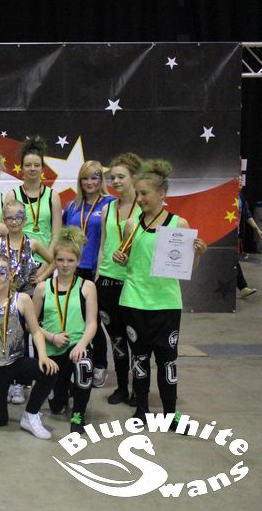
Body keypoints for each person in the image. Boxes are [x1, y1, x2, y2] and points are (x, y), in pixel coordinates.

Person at [113, 160, 208, 423]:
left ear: (161, 194)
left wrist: (198, 254)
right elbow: (127, 260)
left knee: (167, 361)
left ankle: (170, 413)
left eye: (145, 193)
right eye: (138, 193)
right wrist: (120, 257)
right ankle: (141, 409)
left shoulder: (179, 224)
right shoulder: (131, 225)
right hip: (134, 301)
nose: (140, 198)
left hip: (166, 303)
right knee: (140, 359)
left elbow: (187, 268)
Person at [0, 256, 59, 439]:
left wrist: (43, 356)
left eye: (1, 273)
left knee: (49, 371)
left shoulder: (22, 300)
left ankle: (30, 415)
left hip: (15, 361)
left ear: (11, 274)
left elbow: (35, 331)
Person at [33, 227, 98, 434]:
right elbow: (31, 325)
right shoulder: (42, 288)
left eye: (70, 260)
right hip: (52, 351)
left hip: (76, 347)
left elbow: (92, 323)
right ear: (54, 261)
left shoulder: (87, 286)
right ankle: (64, 391)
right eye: (60, 260)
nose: (65, 265)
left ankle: (78, 414)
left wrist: (81, 345)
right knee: (56, 407)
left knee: (84, 364)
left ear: (78, 261)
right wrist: (51, 337)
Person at [95, 152, 142, 405]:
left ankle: (138, 389)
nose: (115, 181)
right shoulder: (107, 209)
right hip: (107, 281)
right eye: (112, 177)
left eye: (121, 176)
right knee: (116, 338)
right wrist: (98, 275)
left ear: (134, 177)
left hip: (132, 283)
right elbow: (103, 245)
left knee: (136, 338)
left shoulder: (145, 211)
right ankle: (122, 387)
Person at [5, 136, 62, 262]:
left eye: (36, 165)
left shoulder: (53, 196)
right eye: (28, 165)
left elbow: (56, 236)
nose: (32, 168)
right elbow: (5, 231)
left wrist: (48, 262)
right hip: (17, 261)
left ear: (42, 168)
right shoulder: (12, 195)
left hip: (44, 261)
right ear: (21, 168)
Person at [62, 161, 113, 281]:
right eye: (85, 178)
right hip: (74, 267)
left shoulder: (111, 204)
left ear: (101, 180)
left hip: (99, 267)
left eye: (94, 178)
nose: (89, 182)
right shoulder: (72, 207)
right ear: (80, 181)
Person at [238, 192, 262, 298]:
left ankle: (243, 288)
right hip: (224, 235)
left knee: (232, 262)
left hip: (236, 235)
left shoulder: (240, 197)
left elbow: (247, 214)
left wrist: (257, 229)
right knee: (232, 262)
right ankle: (243, 287)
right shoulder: (224, 194)